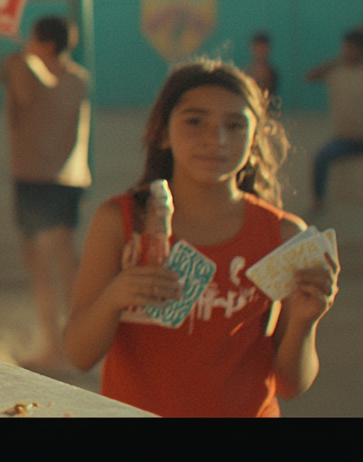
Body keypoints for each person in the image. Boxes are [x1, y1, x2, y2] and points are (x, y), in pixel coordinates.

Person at [64, 61, 338, 417]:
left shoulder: (283, 236)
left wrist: (305, 320)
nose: (216, 139)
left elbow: (290, 384)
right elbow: (78, 354)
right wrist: (114, 298)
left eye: (235, 125)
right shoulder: (121, 222)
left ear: (253, 139)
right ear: (162, 132)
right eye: (195, 121)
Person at [0, 16, 90, 371]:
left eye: (33, 39)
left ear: (45, 44)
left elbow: (5, 75)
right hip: (69, 181)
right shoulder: (79, 79)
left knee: (41, 267)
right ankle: (75, 344)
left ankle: (55, 348)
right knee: (65, 261)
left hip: (35, 179)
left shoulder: (24, 70)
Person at [304, 27, 363, 213]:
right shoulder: (335, 71)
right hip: (344, 139)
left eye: (353, 48)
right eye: (346, 48)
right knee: (321, 157)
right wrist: (332, 64)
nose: (349, 52)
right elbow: (310, 77)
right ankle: (318, 201)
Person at [248, 31, 279, 101]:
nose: (260, 50)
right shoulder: (246, 73)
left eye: (263, 47)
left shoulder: (272, 73)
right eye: (258, 47)